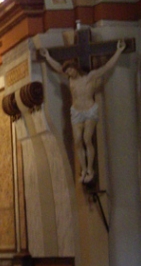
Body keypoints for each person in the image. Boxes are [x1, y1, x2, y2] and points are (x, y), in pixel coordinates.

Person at [40, 39, 127, 184]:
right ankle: (84, 169)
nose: (69, 73)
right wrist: (47, 56)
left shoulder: (89, 77)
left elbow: (106, 67)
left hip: (89, 110)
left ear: (75, 68)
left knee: (87, 139)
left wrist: (118, 51)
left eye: (71, 70)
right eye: (67, 72)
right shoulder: (70, 80)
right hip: (76, 112)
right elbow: (57, 68)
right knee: (78, 140)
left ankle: (90, 170)